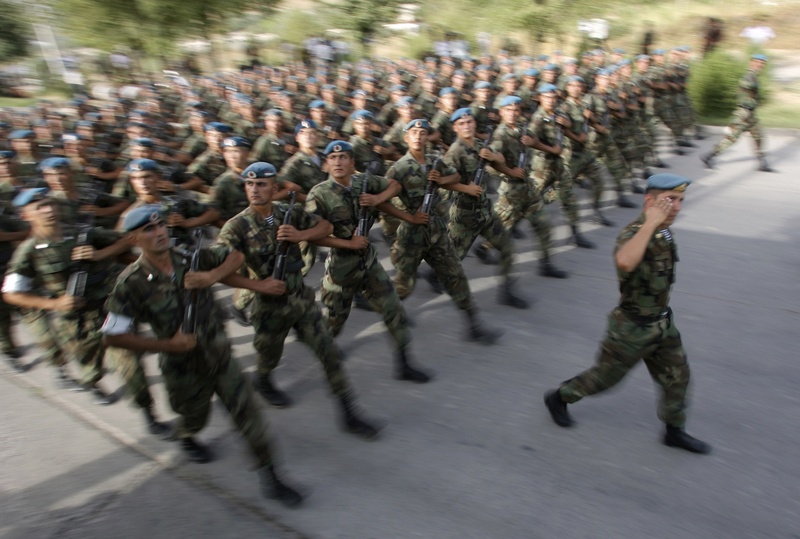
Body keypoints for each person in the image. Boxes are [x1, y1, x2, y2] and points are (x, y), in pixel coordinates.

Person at [101, 205, 303, 508]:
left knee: (249, 416)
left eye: (160, 226)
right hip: (182, 367)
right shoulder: (130, 283)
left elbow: (236, 256)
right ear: (133, 240)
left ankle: (271, 476)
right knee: (195, 418)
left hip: (220, 355)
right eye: (148, 230)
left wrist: (211, 277)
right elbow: (112, 336)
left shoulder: (188, 258)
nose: (159, 233)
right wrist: (169, 345)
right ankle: (187, 435)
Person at [543, 173, 711, 455]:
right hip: (631, 328)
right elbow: (625, 260)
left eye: (681, 200)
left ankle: (674, 431)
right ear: (650, 201)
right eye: (670, 200)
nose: (677, 207)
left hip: (662, 324)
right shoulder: (634, 233)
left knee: (678, 377)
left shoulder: (664, 231)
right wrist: (651, 223)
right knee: (605, 379)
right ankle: (560, 397)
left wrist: (658, 223)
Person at [215, 162, 380, 440]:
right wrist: (258, 285)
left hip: (301, 299)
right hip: (268, 307)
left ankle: (349, 411)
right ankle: (264, 379)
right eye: (250, 184)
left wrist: (300, 235)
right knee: (269, 355)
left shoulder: (286, 213)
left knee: (328, 352)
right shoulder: (236, 227)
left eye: (262, 184)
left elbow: (325, 225)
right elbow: (221, 271)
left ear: (275, 188)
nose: (255, 190)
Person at [306, 141, 430, 382]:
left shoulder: (364, 182)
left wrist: (377, 199)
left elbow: (394, 185)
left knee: (393, 309)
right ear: (326, 164)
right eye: (333, 158)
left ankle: (404, 364)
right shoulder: (319, 194)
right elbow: (313, 233)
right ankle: (321, 347)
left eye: (344, 158)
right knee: (334, 322)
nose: (338, 162)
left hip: (368, 262)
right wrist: (348, 244)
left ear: (352, 163)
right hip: (341, 267)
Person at [382, 119, 501, 343]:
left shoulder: (433, 162)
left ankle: (474, 325)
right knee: (404, 286)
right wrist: (409, 217)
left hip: (437, 231)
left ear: (427, 138)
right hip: (412, 235)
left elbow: (455, 176)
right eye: (413, 132)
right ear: (406, 137)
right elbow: (383, 201)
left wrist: (441, 179)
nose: (418, 136)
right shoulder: (398, 168)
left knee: (456, 276)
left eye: (422, 133)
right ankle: (391, 314)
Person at [702, 54, 773, 172]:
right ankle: (709, 156)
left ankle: (762, 162)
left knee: (759, 136)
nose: (759, 65)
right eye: (757, 62)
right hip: (743, 114)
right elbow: (745, 87)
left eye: (761, 63)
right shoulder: (748, 76)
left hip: (751, 115)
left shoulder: (754, 76)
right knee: (731, 139)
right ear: (751, 63)